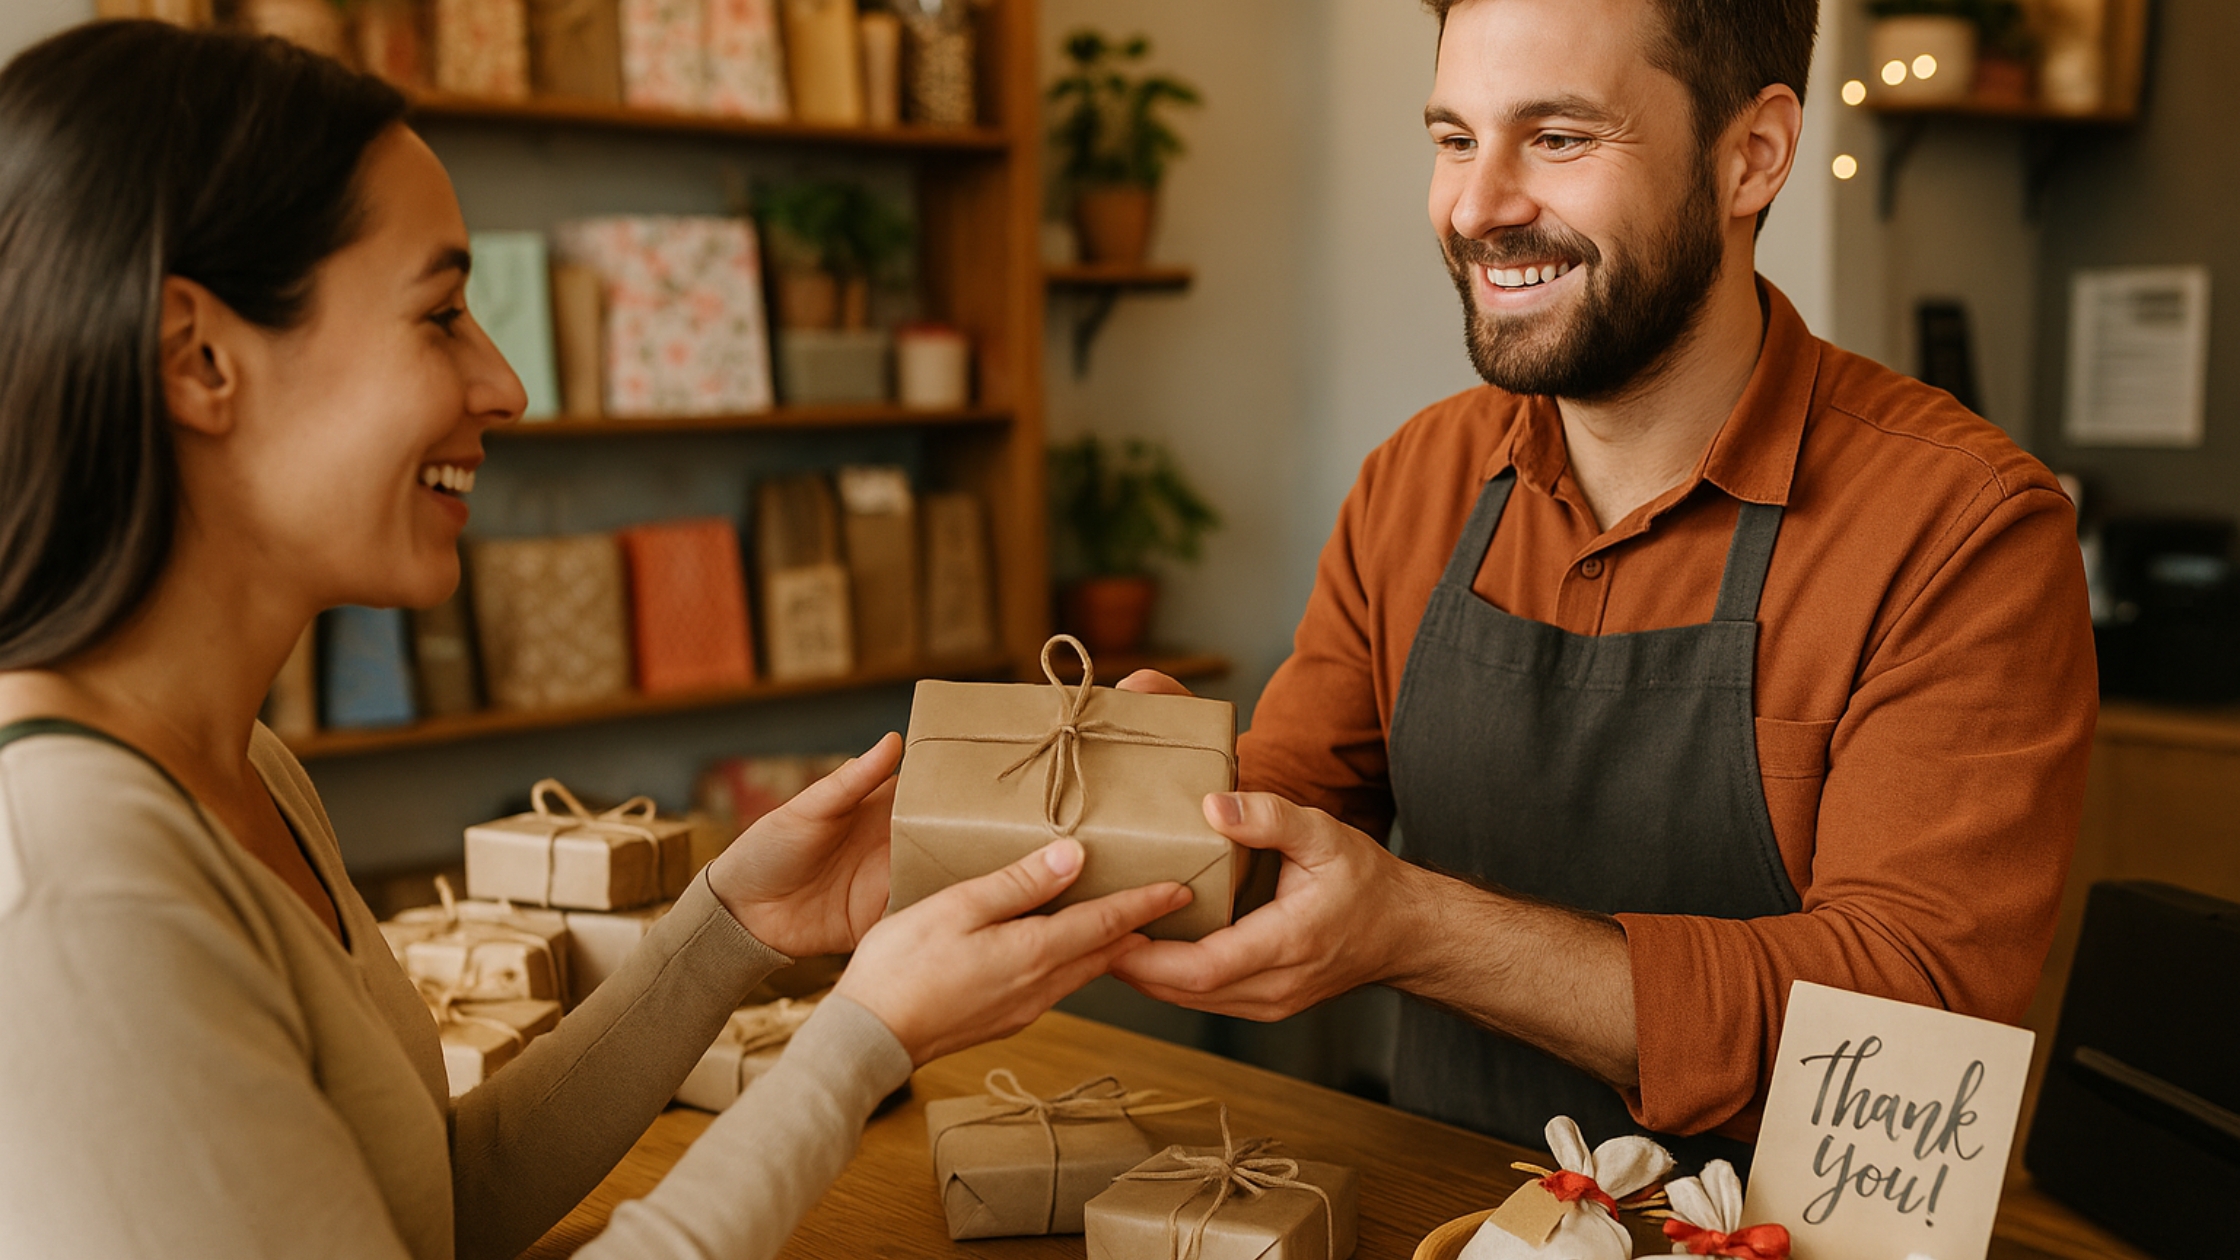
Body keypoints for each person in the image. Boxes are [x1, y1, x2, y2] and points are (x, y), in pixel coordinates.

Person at [0, 21, 1191, 1259]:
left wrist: (733, 925)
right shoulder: (72, 882)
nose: (506, 382)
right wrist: (863, 1038)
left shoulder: (239, 766)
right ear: (198, 357)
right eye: (442, 312)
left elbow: (435, 1204)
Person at [1109, 0, 2096, 1167]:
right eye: (1454, 139)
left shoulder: (1962, 532)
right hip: (1445, 1225)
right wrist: (1152, 822)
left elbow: (1906, 1034)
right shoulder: (1414, 481)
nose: (1477, 207)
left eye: (1559, 138)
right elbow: (1294, 831)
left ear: (1752, 156)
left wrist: (1418, 928)